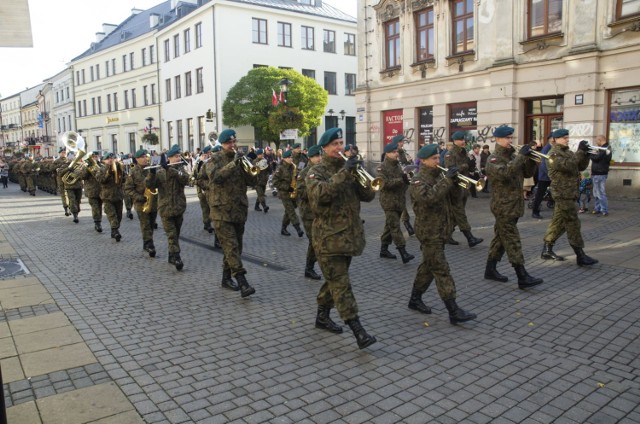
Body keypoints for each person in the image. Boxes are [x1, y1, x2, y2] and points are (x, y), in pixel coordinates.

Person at [306, 128, 377, 349]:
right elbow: (320, 196)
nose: (340, 148)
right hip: (328, 240)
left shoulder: (348, 170)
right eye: (335, 144)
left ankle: (322, 316)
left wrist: (361, 177)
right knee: (341, 283)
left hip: (348, 237)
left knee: (335, 280)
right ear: (324, 148)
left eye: (341, 143)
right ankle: (358, 330)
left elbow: (368, 196)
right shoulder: (315, 171)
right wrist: (345, 173)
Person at [408, 143, 477, 324]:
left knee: (428, 267)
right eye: (434, 159)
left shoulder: (440, 175)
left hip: (441, 229)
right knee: (441, 269)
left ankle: (415, 299)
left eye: (438, 158)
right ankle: (453, 310)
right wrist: (446, 180)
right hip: (428, 231)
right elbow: (428, 198)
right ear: (423, 160)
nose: (437, 161)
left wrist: (454, 183)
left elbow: (455, 199)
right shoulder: (418, 180)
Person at [483, 126, 543, 289]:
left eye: (511, 137)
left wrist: (530, 158)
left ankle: (490, 269)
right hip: (503, 207)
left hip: (514, 204)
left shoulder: (514, 156)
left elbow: (527, 173)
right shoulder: (493, 159)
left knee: (501, 238)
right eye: (507, 138)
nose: (511, 140)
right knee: (512, 240)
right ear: (498, 139)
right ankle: (522, 275)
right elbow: (505, 173)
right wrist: (521, 157)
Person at [206, 129, 257, 296]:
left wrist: (251, 167)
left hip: (238, 209)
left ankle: (226, 278)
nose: (233, 145)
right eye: (229, 143)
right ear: (222, 144)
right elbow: (216, 177)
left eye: (234, 142)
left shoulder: (240, 160)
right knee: (231, 247)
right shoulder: (214, 159)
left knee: (236, 248)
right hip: (221, 211)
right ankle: (243, 283)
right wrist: (234, 163)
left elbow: (252, 181)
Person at [541, 129, 598, 266]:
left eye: (567, 137)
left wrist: (586, 154)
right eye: (564, 138)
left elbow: (580, 166)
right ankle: (580, 255)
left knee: (558, 223)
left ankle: (547, 249)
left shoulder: (568, 152)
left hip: (570, 193)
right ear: (556, 139)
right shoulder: (553, 154)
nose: (567, 139)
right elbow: (568, 165)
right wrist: (580, 151)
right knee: (573, 223)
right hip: (562, 193)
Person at [146, 145, 190, 270]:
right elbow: (150, 185)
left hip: (179, 207)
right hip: (165, 208)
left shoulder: (180, 169)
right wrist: (152, 173)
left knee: (176, 233)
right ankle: (176, 256)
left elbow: (186, 180)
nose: (178, 158)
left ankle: (171, 255)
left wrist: (170, 170)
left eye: (178, 156)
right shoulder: (160, 172)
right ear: (169, 158)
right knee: (171, 234)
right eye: (176, 156)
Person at [377, 140, 415, 263]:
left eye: (396, 152)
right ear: (387, 153)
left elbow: (402, 184)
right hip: (388, 202)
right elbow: (384, 184)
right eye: (393, 152)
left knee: (389, 226)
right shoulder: (382, 167)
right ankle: (403, 252)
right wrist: (401, 180)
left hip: (399, 201)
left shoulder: (398, 165)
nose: (396, 154)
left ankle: (383, 250)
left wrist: (406, 181)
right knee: (395, 227)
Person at [444, 131, 483, 247]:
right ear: (455, 141)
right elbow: (450, 169)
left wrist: (471, 165)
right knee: (460, 213)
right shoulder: (450, 154)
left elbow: (466, 167)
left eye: (464, 139)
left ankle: (446, 235)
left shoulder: (464, 152)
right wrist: (466, 165)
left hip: (464, 185)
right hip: (455, 187)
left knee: (455, 214)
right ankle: (470, 238)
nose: (463, 142)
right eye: (461, 140)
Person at [124, 149, 157, 257]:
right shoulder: (133, 172)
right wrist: (139, 197)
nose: (145, 159)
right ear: (137, 159)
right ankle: (149, 244)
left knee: (151, 224)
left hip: (153, 201)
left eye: (146, 157)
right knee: (145, 224)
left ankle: (146, 242)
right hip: (140, 203)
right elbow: (128, 189)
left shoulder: (151, 169)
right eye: (142, 157)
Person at [296, 144, 323, 280]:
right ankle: (309, 268)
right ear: (310, 158)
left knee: (321, 240)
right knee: (314, 241)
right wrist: (316, 191)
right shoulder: (303, 173)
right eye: (316, 156)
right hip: (308, 213)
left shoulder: (323, 171)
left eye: (320, 156)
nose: (319, 158)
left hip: (321, 212)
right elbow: (300, 193)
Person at [273, 149, 304, 237]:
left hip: (292, 192)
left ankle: (283, 228)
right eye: (289, 157)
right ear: (284, 159)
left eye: (291, 157)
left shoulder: (293, 166)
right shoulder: (280, 168)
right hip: (284, 193)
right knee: (291, 211)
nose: (291, 159)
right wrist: (287, 187)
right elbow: (275, 182)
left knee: (289, 211)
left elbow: (295, 177)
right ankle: (298, 229)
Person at [95, 152, 125, 242]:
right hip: (107, 196)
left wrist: (121, 171)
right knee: (112, 215)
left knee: (119, 215)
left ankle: (114, 230)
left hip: (118, 195)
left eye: (112, 158)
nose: (111, 160)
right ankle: (115, 231)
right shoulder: (101, 169)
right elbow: (101, 180)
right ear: (104, 160)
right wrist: (108, 173)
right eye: (108, 159)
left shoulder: (119, 168)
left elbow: (124, 179)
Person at [395, 135, 416, 236]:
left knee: (402, 202)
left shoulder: (403, 152)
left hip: (404, 181)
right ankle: (406, 223)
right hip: (396, 181)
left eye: (402, 142)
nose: (402, 144)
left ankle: (405, 222)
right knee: (401, 204)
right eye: (400, 142)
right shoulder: (392, 153)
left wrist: (410, 162)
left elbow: (408, 163)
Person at [531, 133, 554, 219]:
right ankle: (535, 211)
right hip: (545, 176)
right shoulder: (546, 148)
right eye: (553, 138)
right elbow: (543, 163)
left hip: (551, 175)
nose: (554, 139)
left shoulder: (554, 147)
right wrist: (550, 174)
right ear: (550, 139)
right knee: (540, 195)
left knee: (555, 193)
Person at [81, 152, 104, 233]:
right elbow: (82, 176)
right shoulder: (87, 166)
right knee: (95, 207)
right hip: (91, 190)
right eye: (93, 156)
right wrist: (86, 168)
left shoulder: (101, 165)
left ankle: (99, 221)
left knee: (99, 207)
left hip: (100, 190)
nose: (95, 158)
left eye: (96, 156)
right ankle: (97, 223)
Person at [590, 134, 612, 216]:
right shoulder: (603, 148)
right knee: (596, 193)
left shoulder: (605, 148)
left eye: (597, 141)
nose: (596, 143)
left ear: (600, 140)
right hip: (598, 172)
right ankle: (597, 208)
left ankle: (604, 209)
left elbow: (596, 158)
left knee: (600, 193)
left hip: (599, 173)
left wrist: (591, 153)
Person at [194, 145, 214, 232]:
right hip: (201, 190)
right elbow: (193, 177)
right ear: (203, 155)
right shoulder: (198, 165)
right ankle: (207, 224)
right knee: (205, 207)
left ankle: (208, 222)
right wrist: (197, 182)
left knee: (210, 207)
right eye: (207, 154)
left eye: (209, 154)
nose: (209, 155)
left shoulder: (210, 163)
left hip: (209, 188)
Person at [252, 148, 270, 213]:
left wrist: (270, 171)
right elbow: (253, 171)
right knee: (261, 194)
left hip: (264, 180)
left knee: (260, 194)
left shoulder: (265, 160)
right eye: (260, 154)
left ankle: (256, 206)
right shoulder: (254, 161)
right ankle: (264, 206)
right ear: (257, 155)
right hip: (257, 181)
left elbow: (269, 168)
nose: (261, 155)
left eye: (262, 154)